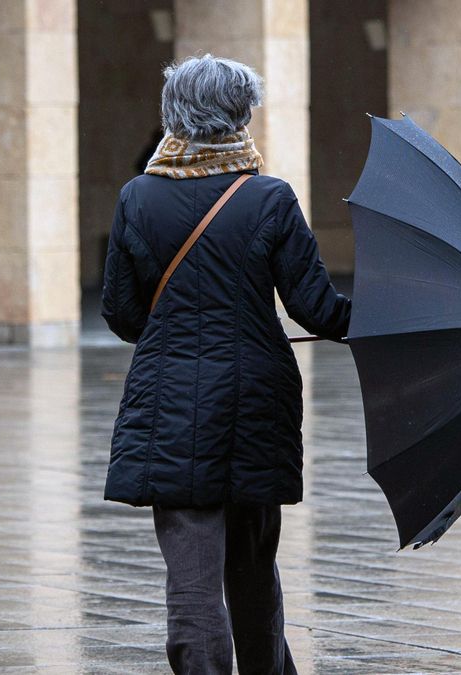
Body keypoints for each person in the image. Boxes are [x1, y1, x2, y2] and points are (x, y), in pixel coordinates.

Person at [100, 55, 350, 674]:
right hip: (254, 401)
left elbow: (124, 314)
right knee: (253, 566)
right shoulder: (269, 197)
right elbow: (318, 309)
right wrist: (403, 317)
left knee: (191, 577)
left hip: (170, 401)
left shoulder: (138, 197)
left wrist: (176, 331)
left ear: (172, 114)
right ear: (241, 114)